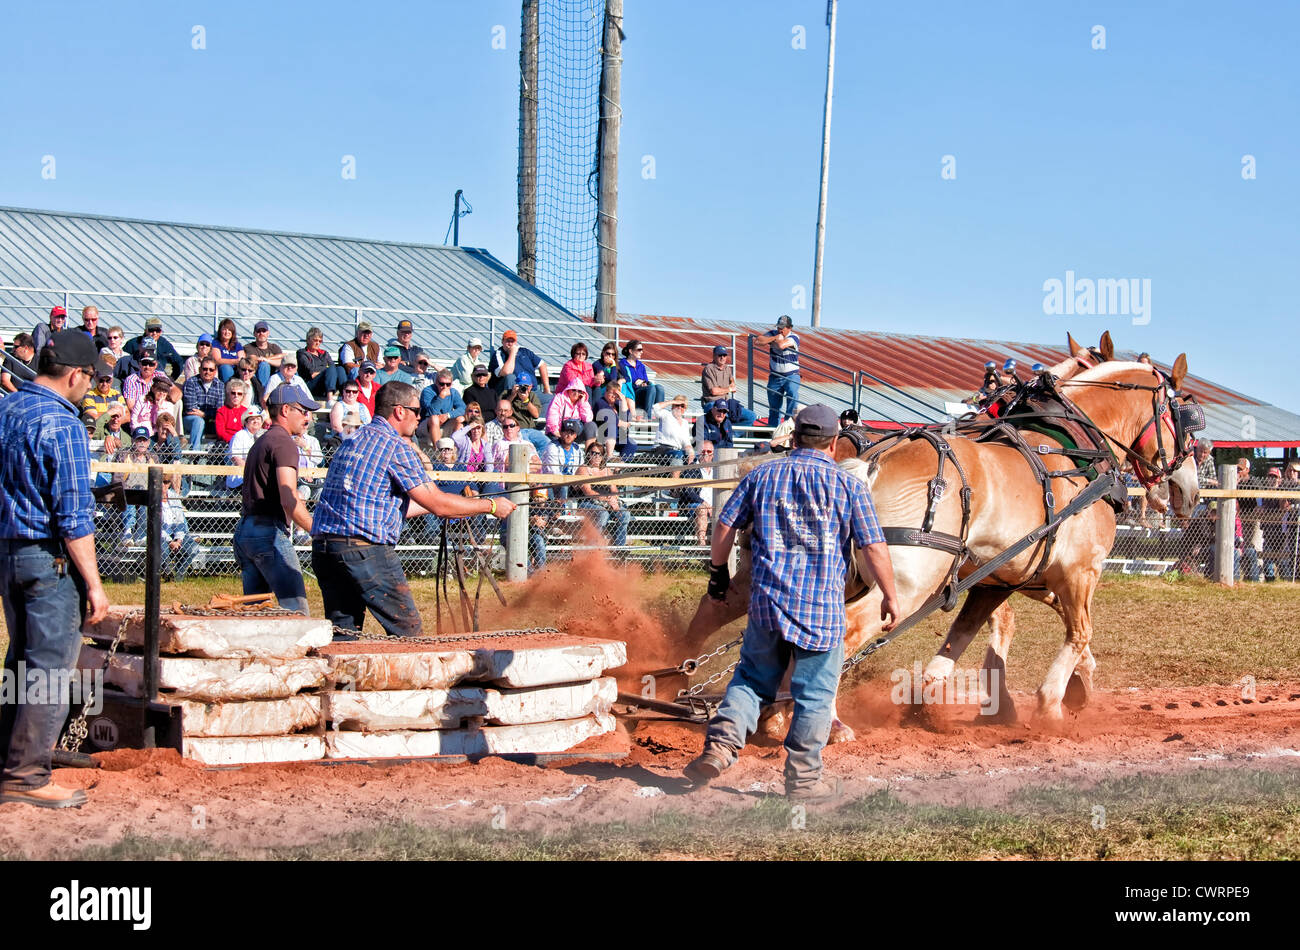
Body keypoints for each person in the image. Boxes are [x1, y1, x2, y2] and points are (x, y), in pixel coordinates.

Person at [684, 404, 900, 802]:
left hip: (767, 603)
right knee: (815, 694)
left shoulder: (762, 476)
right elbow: (873, 545)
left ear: (794, 437)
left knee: (751, 680)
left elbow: (724, 525)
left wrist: (719, 574)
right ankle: (802, 780)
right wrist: (888, 594)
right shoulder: (850, 486)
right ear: (834, 444)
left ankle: (720, 748)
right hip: (821, 610)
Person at [311, 381, 516, 637]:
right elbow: (440, 504)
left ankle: (343, 676)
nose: (419, 418)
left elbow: (380, 504)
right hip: (364, 549)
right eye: (416, 411)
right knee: (407, 631)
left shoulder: (353, 440)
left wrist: (444, 507)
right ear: (399, 411)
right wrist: (491, 505)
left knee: (345, 631)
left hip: (326, 548)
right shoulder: (396, 446)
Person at [0, 330, 109, 809]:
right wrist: (95, 584)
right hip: (48, 558)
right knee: (49, 668)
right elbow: (73, 516)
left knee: (19, 661)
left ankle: (10, 758)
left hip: (8, 551)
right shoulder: (63, 426)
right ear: (75, 374)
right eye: (90, 378)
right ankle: (27, 776)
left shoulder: (6, 410)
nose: (90, 387)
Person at [232, 388, 318, 614]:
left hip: (246, 531)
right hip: (268, 533)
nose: (307, 417)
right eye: (303, 411)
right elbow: (289, 498)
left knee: (255, 615)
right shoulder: (284, 443)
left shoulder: (262, 441)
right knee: (296, 610)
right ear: (285, 410)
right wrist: (317, 531)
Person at [574, 439, 631, 551]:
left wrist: (613, 499)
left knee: (624, 514)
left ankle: (618, 549)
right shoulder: (583, 469)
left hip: (606, 503)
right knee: (602, 514)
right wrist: (607, 499)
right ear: (588, 454)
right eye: (593, 453)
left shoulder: (606, 470)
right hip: (587, 503)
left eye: (599, 454)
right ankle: (593, 548)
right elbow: (588, 492)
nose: (596, 456)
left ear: (603, 456)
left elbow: (614, 489)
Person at [753, 315, 800, 426]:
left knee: (792, 396)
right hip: (775, 376)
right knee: (774, 408)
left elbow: (781, 345)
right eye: (778, 327)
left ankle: (789, 427)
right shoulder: (774, 334)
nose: (780, 330)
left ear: (790, 328)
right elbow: (758, 341)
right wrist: (774, 338)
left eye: (782, 328)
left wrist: (771, 341)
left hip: (791, 375)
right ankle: (773, 430)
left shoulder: (794, 337)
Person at [488, 329, 550, 397]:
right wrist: (512, 353)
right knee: (510, 377)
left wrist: (546, 389)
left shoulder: (525, 351)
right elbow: (507, 372)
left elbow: (542, 364)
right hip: (513, 393)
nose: (510, 344)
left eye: (513, 341)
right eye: (508, 341)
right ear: (502, 341)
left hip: (532, 391)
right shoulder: (499, 354)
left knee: (549, 399)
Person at [181, 356, 224, 450]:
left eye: (211, 370)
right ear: (200, 369)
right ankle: (195, 453)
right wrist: (210, 414)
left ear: (215, 371)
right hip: (190, 420)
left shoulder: (220, 385)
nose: (207, 372)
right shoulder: (191, 382)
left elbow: (220, 410)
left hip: (211, 421)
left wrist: (205, 414)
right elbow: (190, 408)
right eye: (205, 369)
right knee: (198, 421)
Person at [297, 327, 346, 401]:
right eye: (315, 340)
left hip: (326, 382)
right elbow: (312, 373)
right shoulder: (302, 353)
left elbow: (332, 368)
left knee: (340, 369)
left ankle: (345, 396)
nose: (318, 343)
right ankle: (329, 399)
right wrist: (327, 370)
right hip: (311, 385)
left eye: (320, 341)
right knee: (331, 369)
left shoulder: (324, 353)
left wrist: (326, 372)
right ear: (308, 340)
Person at [593, 378, 638, 459]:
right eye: (611, 393)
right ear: (606, 392)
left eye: (616, 394)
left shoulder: (617, 404)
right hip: (603, 436)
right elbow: (609, 419)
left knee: (632, 445)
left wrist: (623, 400)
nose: (614, 396)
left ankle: (619, 466)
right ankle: (609, 457)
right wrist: (623, 423)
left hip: (619, 437)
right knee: (611, 426)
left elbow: (627, 417)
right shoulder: (600, 403)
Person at [618, 340, 665, 416]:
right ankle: (648, 417)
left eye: (642, 350)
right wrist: (637, 384)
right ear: (631, 351)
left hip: (644, 393)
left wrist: (643, 382)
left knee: (659, 388)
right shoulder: (622, 364)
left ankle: (660, 417)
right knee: (651, 388)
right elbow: (626, 381)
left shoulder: (641, 365)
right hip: (632, 395)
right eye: (639, 350)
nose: (642, 352)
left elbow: (646, 380)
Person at [420, 368, 467, 443]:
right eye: (442, 384)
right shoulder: (428, 391)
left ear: (451, 384)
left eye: (448, 384)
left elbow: (463, 409)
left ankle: (454, 448)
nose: (445, 387)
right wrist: (441, 396)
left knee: (460, 419)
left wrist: (448, 415)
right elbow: (432, 412)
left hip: (445, 423)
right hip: (427, 425)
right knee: (434, 418)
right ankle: (438, 451)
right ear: (436, 382)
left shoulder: (453, 392)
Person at [226, 411, 265, 492]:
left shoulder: (266, 436)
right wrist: (253, 473)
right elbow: (236, 459)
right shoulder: (239, 435)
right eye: (252, 419)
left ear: (262, 422)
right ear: (246, 423)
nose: (256, 421)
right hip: (241, 478)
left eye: (258, 419)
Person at [653, 395, 696, 464]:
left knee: (693, 458)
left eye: (682, 406)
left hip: (676, 451)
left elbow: (686, 442)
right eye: (677, 405)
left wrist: (691, 452)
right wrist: (673, 401)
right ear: (673, 406)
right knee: (678, 455)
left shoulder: (685, 423)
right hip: (662, 449)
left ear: (685, 409)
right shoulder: (666, 414)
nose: (679, 407)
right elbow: (655, 407)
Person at [242, 320, 284, 388]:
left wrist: (266, 359)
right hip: (257, 377)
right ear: (254, 334)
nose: (261, 333)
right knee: (264, 365)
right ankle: (263, 391)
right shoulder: (249, 347)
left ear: (268, 333)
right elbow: (253, 359)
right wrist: (270, 360)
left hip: (273, 376)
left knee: (290, 367)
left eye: (264, 331)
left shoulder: (274, 347)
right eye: (258, 331)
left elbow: (282, 362)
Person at [212, 318, 244, 382]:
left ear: (233, 332)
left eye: (229, 330)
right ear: (220, 331)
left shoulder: (237, 345)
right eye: (224, 329)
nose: (227, 332)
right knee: (226, 367)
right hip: (224, 372)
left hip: (237, 370)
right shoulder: (216, 343)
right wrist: (235, 361)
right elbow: (217, 360)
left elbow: (242, 359)